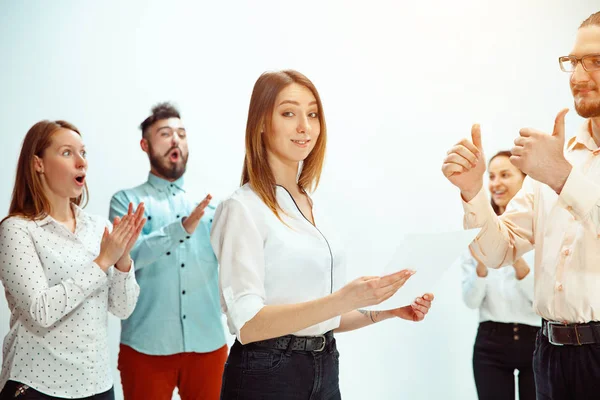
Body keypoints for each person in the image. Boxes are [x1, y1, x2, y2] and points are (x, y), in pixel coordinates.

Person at [211, 70, 434, 400]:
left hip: (324, 365)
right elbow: (249, 325)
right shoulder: (242, 209)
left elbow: (320, 316)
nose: (305, 126)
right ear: (260, 123)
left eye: (312, 114)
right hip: (266, 375)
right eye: (289, 113)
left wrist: (386, 309)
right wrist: (344, 298)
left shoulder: (311, 206)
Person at [442, 11, 600, 399]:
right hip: (549, 354)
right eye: (573, 62)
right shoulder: (558, 154)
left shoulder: (555, 165)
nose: (578, 77)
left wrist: (563, 176)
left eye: (595, 62)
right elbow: (498, 252)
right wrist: (472, 191)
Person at [0, 120, 143, 399]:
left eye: (83, 153)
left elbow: (122, 308)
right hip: (37, 386)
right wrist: (102, 262)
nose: (81, 162)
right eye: (67, 153)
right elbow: (40, 311)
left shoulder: (97, 226)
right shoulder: (17, 229)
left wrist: (122, 260)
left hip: (98, 386)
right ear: (38, 164)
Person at [110, 103, 227, 400]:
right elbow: (126, 258)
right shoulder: (127, 201)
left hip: (208, 345)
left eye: (181, 134)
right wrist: (181, 229)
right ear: (145, 145)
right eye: (165, 133)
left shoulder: (212, 205)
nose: (176, 139)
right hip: (146, 347)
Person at [460, 151, 538, 400]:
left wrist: (512, 256)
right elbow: (471, 301)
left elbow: (540, 303)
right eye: (491, 176)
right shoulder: (476, 230)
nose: (496, 183)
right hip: (490, 343)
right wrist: (482, 266)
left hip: (536, 340)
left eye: (505, 175)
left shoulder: (542, 228)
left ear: (525, 179)